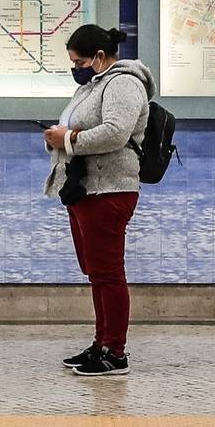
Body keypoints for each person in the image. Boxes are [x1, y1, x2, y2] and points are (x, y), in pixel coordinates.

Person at [43, 24, 154, 378]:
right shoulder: (96, 85)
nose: (75, 68)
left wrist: (69, 138)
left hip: (109, 189)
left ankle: (115, 353)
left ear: (100, 57)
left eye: (78, 61)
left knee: (108, 273)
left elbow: (115, 132)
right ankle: (101, 342)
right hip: (86, 189)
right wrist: (57, 138)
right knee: (96, 273)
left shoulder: (123, 83)